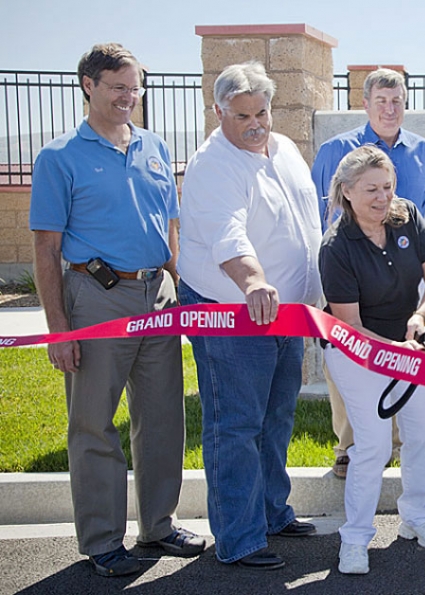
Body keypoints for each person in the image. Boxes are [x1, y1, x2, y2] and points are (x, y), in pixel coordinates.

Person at [29, 43, 204, 577]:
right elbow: (46, 249)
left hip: (158, 297)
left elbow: (170, 226)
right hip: (97, 297)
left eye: (136, 88)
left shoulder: (154, 146)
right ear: (89, 84)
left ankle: (159, 525)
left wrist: (182, 287)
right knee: (93, 424)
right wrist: (59, 329)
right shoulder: (60, 157)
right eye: (118, 87)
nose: (130, 97)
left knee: (163, 419)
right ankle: (103, 540)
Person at [178, 62, 322, 570]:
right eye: (242, 115)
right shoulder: (212, 165)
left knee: (276, 416)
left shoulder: (283, 149)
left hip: (285, 315)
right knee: (235, 424)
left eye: (262, 112)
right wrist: (254, 281)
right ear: (218, 112)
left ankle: (271, 512)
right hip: (232, 313)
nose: (256, 123)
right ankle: (238, 539)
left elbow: (307, 223)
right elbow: (227, 234)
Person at [319, 145, 425, 575]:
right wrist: (397, 350)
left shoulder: (407, 214)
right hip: (357, 353)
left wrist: (420, 314)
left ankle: (416, 516)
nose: (382, 198)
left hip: (408, 344)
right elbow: (352, 327)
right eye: (371, 189)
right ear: (347, 192)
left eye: (388, 187)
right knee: (372, 446)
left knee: (422, 435)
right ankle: (355, 539)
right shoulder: (336, 246)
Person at [311, 68, 425, 479]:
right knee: (353, 372)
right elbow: (320, 216)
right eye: (381, 100)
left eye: (397, 100)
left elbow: (420, 219)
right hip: (349, 276)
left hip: (400, 274)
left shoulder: (423, 152)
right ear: (364, 104)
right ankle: (349, 448)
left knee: (403, 372)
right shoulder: (335, 150)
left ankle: (395, 448)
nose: (389, 108)